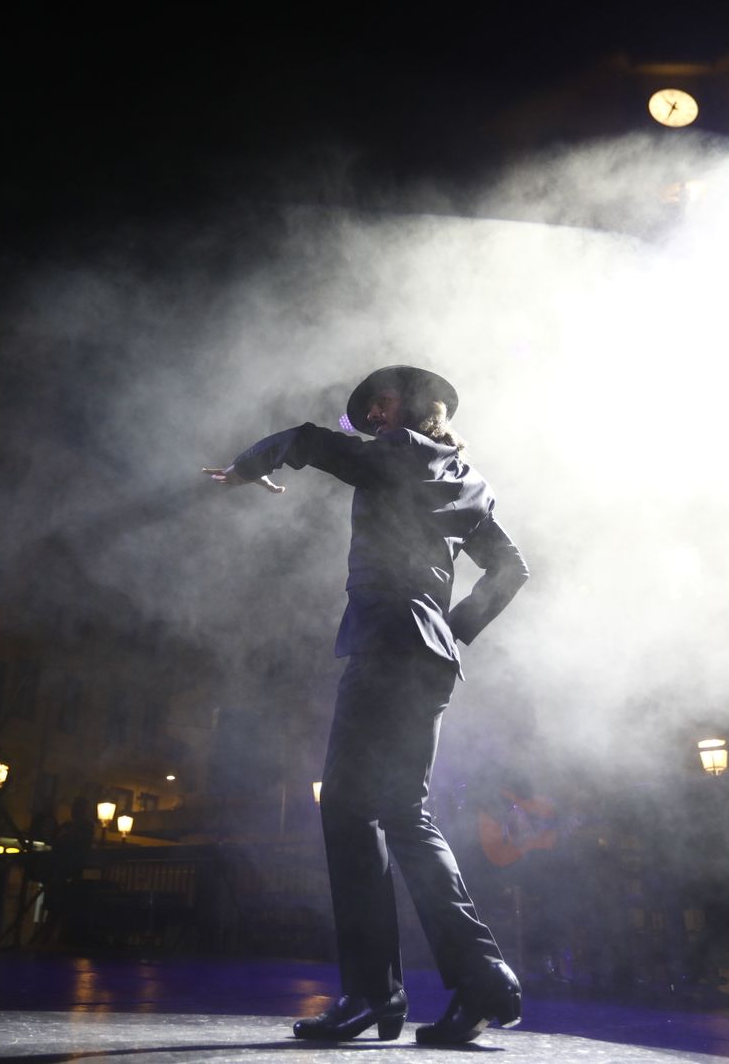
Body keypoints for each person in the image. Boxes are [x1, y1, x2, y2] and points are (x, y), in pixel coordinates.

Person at [203, 365, 530, 1044]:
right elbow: (510, 570)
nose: (369, 417)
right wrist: (454, 630)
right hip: (432, 657)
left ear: (397, 410)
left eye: (375, 406)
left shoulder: (395, 453)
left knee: (351, 814)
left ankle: (370, 995)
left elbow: (310, 441)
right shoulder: (470, 480)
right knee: (405, 814)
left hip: (385, 643)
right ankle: (481, 981)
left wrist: (245, 467)